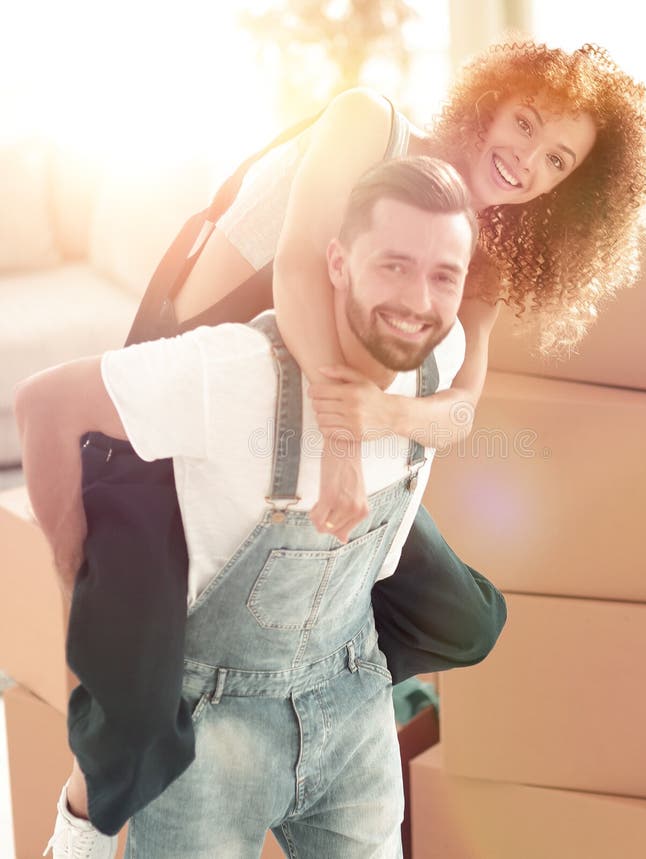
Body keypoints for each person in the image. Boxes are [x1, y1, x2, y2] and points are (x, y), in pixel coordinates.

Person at [16, 155, 478, 858]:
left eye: (444, 274)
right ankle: (80, 819)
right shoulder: (235, 370)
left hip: (353, 701)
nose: (419, 298)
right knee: (122, 727)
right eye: (393, 264)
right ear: (337, 263)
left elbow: (458, 417)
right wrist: (73, 567)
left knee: (473, 616)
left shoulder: (440, 363)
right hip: (212, 730)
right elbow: (43, 403)